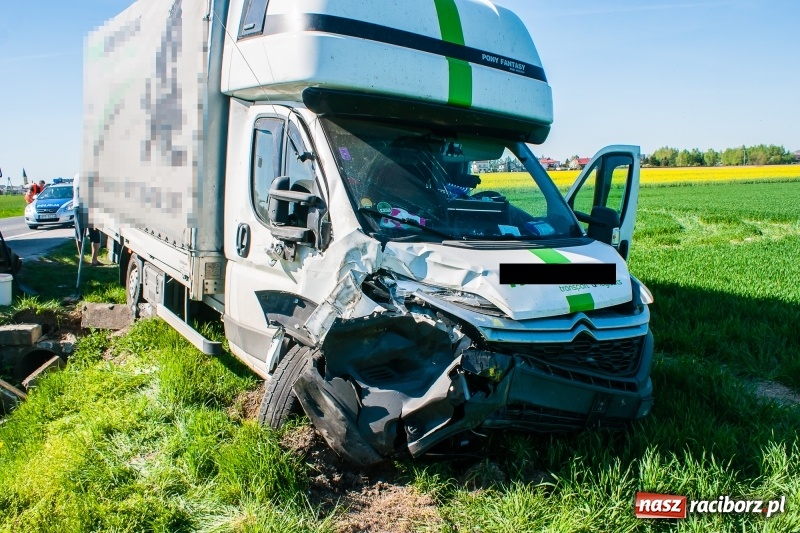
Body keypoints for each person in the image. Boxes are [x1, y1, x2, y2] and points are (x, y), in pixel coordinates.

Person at [73, 173, 101, 266]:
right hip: (84, 207)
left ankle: (88, 259)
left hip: (79, 207)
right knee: (87, 233)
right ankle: (88, 259)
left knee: (83, 234)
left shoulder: (78, 176)